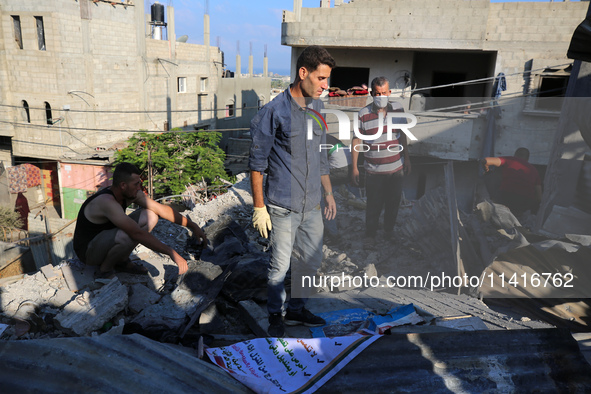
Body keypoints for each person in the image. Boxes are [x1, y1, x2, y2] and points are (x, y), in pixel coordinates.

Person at [249, 45, 336, 337]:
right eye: (321, 78)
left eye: (327, 79)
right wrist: (259, 206)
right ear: (303, 73)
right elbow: (257, 164)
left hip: (311, 204)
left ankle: (298, 310)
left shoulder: (318, 107)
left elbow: (320, 156)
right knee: (280, 267)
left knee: (311, 262)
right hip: (283, 206)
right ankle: (276, 315)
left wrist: (329, 193)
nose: (326, 85)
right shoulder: (273, 113)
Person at [73, 162, 207, 277]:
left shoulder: (130, 194)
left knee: (151, 216)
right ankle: (105, 271)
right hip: (88, 251)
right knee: (127, 234)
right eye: (136, 184)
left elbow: (162, 210)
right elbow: (136, 233)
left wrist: (192, 225)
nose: (139, 188)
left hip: (106, 239)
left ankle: (121, 261)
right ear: (123, 185)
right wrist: (171, 253)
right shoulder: (107, 202)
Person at [351, 76, 410, 239]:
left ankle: (389, 232)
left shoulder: (398, 109)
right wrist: (355, 167)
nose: (381, 96)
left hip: (396, 169)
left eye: (384, 93)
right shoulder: (363, 114)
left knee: (393, 204)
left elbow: (403, 134)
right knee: (373, 206)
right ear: (372, 93)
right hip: (373, 172)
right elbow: (356, 139)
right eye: (377, 93)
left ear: (389, 92)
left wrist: (407, 158)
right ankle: (370, 235)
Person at [481, 147, 542, 215]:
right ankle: (520, 214)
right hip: (525, 204)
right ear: (527, 159)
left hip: (505, 198)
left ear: (515, 155)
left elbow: (485, 161)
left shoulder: (509, 159)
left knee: (489, 174)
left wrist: (487, 171)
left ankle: (496, 203)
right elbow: (539, 197)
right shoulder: (534, 170)